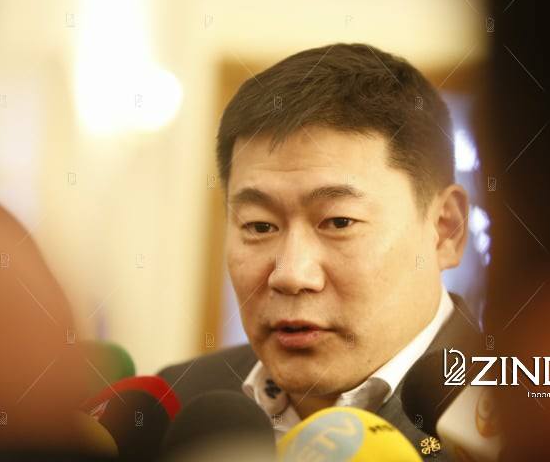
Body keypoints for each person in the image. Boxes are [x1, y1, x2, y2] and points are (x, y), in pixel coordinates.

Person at [159, 43, 481, 457]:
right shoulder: (175, 403)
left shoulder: (529, 421)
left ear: (445, 229)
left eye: (339, 222)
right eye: (259, 226)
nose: (291, 274)